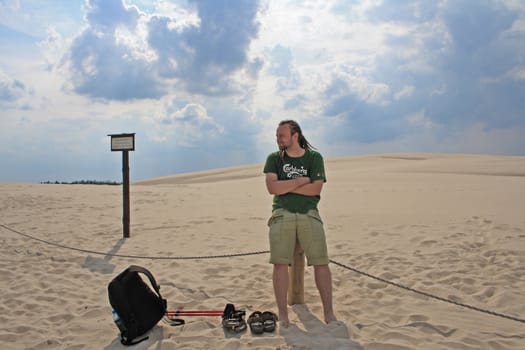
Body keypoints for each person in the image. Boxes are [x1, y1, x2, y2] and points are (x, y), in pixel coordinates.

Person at [263, 119, 336, 327]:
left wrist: (284, 186)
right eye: (277, 135)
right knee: (279, 263)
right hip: (281, 213)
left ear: (295, 135)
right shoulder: (274, 159)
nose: (278, 139)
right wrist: (299, 181)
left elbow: (316, 190)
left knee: (321, 262)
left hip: (309, 212)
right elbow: (271, 188)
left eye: (281, 135)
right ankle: (283, 315)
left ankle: (329, 313)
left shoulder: (314, 157)